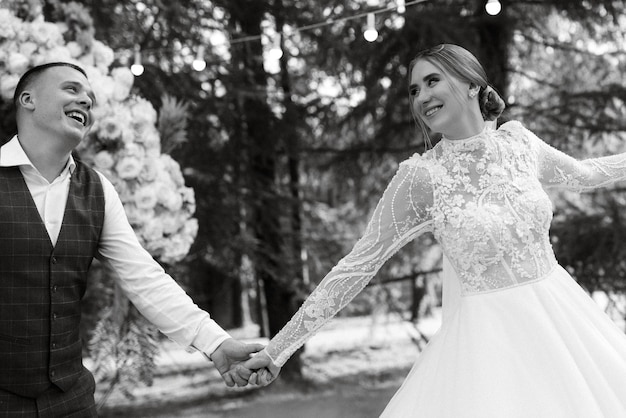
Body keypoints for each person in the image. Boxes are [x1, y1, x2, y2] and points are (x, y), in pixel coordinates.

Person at [236, 44, 626, 417]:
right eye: (414, 90)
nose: (422, 96)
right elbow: (356, 267)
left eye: (433, 81)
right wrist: (277, 351)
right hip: (489, 346)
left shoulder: (519, 143)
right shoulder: (421, 178)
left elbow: (586, 174)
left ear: (473, 84)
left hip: (564, 320)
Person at [0, 62, 262, 417]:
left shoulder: (98, 190)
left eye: (89, 98)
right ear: (27, 99)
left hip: (69, 401)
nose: (85, 100)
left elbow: (145, 279)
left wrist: (216, 343)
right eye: (72, 89)